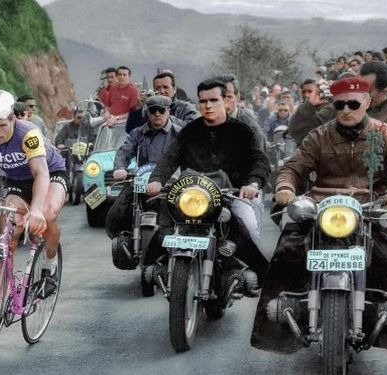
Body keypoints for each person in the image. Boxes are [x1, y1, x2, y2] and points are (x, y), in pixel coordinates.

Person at [251, 77, 387, 354]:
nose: (346, 109)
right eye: (340, 104)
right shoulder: (318, 135)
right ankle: (284, 309)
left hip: (371, 206)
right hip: (322, 207)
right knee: (288, 247)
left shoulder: (385, 133)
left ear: (367, 103)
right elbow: (293, 167)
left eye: (354, 104)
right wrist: (285, 186)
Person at [146, 79, 270, 283]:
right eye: (203, 101)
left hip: (232, 194)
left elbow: (260, 160)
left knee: (246, 221)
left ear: (225, 101)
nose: (208, 105)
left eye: (213, 100)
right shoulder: (190, 130)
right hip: (193, 196)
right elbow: (170, 158)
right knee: (163, 225)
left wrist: (253, 183)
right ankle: (157, 267)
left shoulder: (243, 131)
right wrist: (157, 179)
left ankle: (247, 274)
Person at [0, 89, 67, 291]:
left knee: (47, 215)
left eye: (2, 126)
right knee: (8, 235)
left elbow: (40, 174)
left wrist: (35, 210)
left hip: (50, 173)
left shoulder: (28, 133)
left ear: (13, 119)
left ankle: (50, 266)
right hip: (16, 180)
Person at [105, 95, 181, 239]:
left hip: (171, 184)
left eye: (161, 110)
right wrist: (119, 168)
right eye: (153, 110)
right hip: (142, 183)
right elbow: (124, 151)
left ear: (168, 111)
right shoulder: (137, 133)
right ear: (148, 112)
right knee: (118, 211)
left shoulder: (179, 133)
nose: (157, 114)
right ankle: (122, 240)